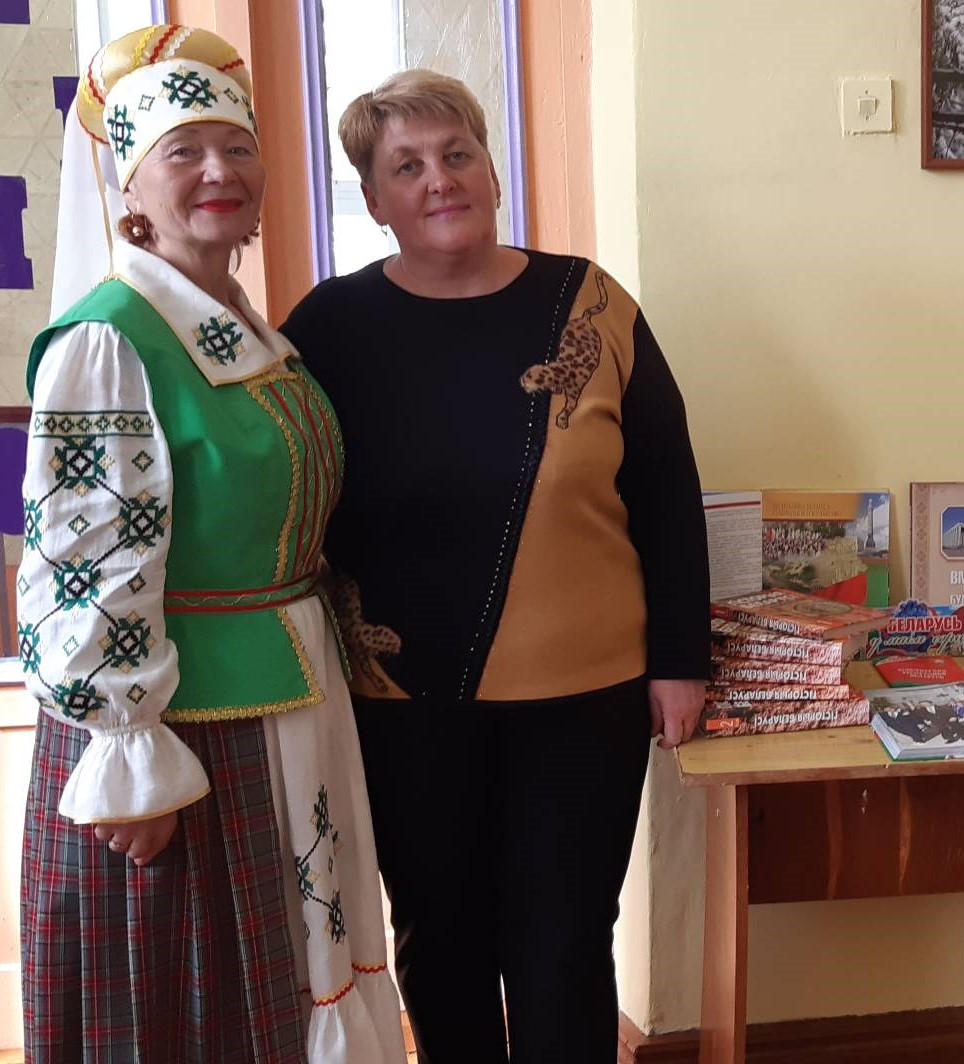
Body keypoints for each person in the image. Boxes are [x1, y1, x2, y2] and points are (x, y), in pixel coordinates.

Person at [277, 69, 710, 1062]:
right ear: (374, 199)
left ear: (491, 170)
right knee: (441, 936)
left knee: (564, 940)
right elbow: (287, 495)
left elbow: (665, 489)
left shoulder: (590, 304)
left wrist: (680, 660)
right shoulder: (327, 328)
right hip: (402, 698)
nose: (439, 179)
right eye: (406, 166)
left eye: (457, 153)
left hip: (587, 695)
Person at [17, 24, 405, 1062]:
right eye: (181, 151)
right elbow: (79, 561)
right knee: (195, 1003)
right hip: (178, 723)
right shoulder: (111, 338)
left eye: (236, 147)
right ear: (131, 190)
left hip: (287, 691)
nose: (218, 171)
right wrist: (127, 752)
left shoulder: (249, 330)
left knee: (281, 980)